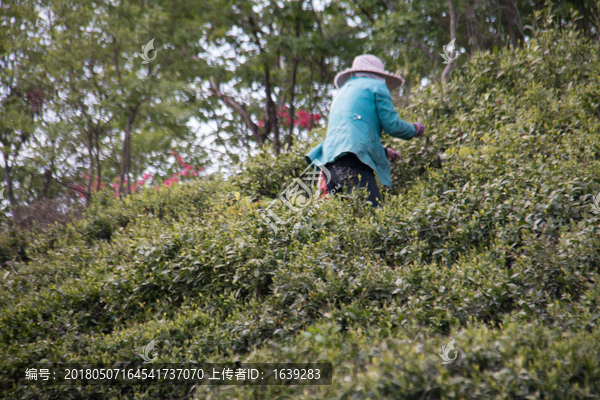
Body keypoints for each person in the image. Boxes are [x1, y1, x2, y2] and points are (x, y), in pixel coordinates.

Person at [306, 54, 425, 207]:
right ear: (378, 75)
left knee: (347, 224)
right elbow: (393, 126)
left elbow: (349, 134)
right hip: (352, 165)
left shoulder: (342, 92)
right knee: (375, 218)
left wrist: (383, 152)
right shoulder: (376, 86)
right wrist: (414, 129)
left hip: (330, 168)